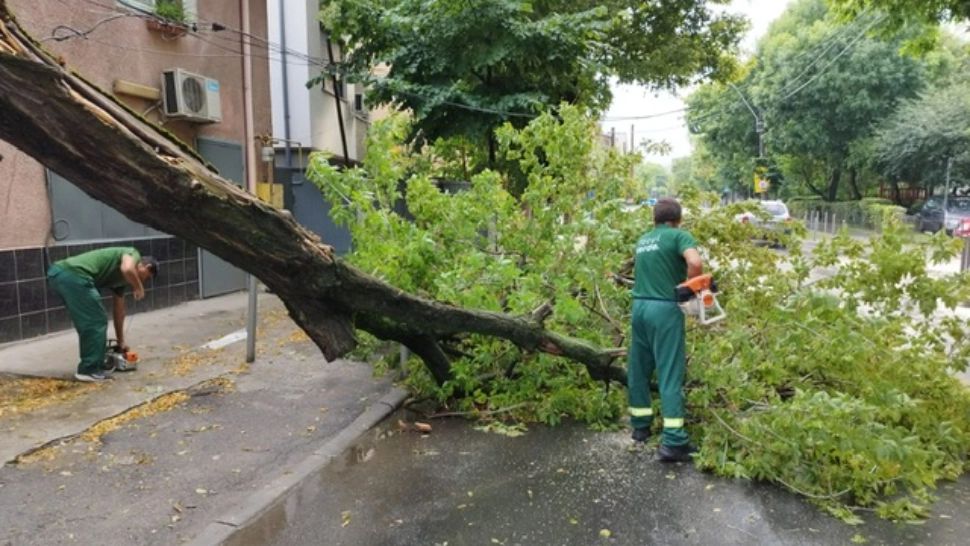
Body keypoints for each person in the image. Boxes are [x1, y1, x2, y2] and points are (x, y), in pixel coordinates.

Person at [627, 198, 703, 462]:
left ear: (654, 219)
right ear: (678, 219)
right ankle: (673, 442)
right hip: (664, 309)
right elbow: (694, 261)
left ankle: (640, 427)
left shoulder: (644, 240)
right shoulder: (679, 236)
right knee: (670, 372)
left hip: (639, 308)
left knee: (639, 367)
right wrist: (689, 286)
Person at [47, 247, 158, 382]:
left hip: (63, 275)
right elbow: (127, 269)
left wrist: (121, 341)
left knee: (90, 321)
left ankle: (95, 364)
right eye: (146, 276)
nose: (144, 280)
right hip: (73, 274)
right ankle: (89, 370)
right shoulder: (132, 253)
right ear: (145, 266)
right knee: (96, 321)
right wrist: (138, 286)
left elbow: (119, 312)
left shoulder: (122, 281)